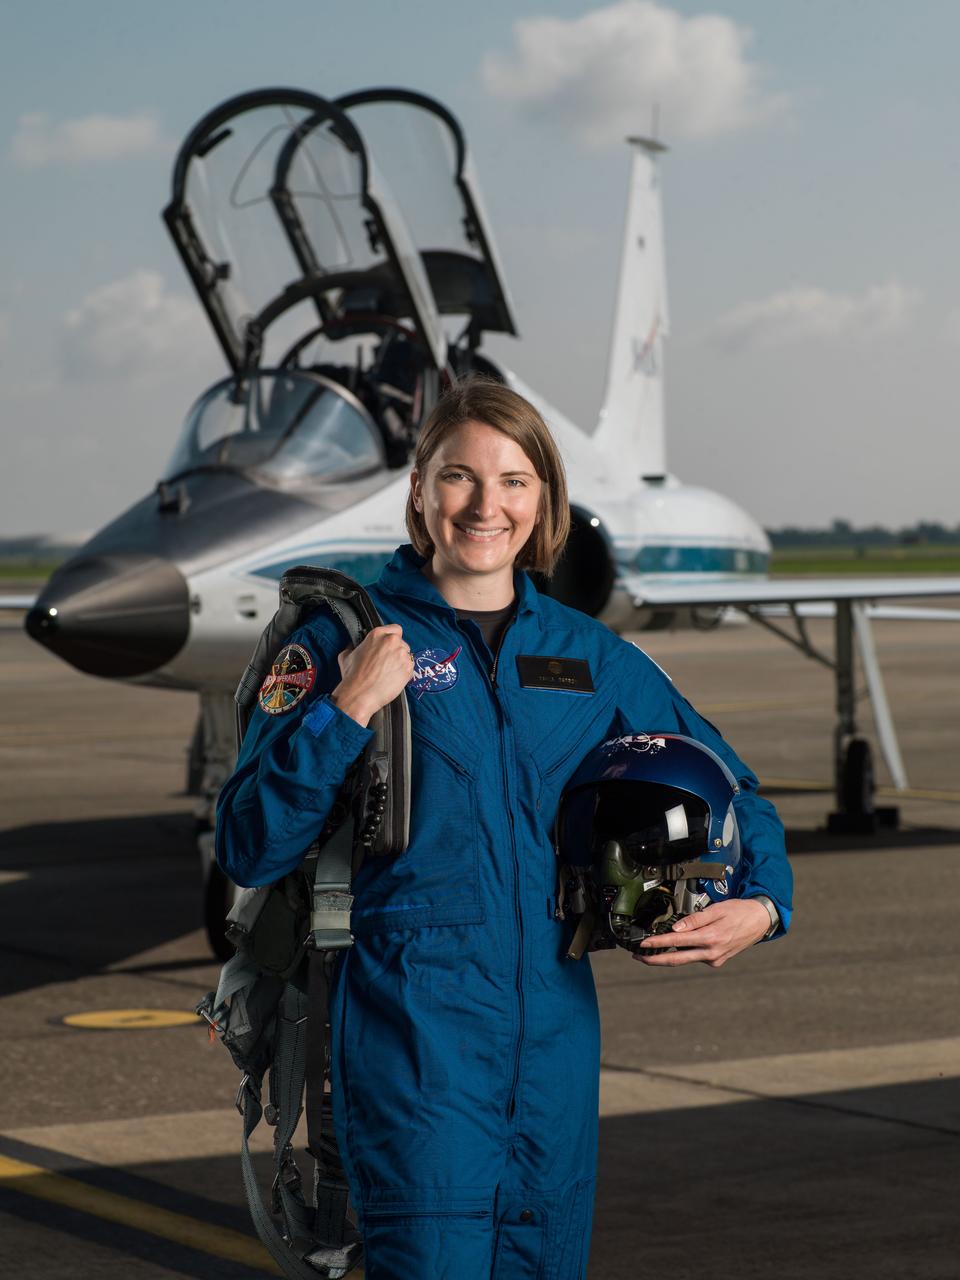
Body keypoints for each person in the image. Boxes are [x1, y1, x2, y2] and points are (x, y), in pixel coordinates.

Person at [216, 377, 793, 1280]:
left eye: (515, 481)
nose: (487, 506)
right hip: (413, 1040)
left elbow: (730, 787)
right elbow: (251, 842)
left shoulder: (590, 654)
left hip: (555, 1045)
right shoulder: (341, 642)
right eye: (459, 477)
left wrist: (765, 903)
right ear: (419, 491)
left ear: (544, 500)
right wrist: (347, 708)